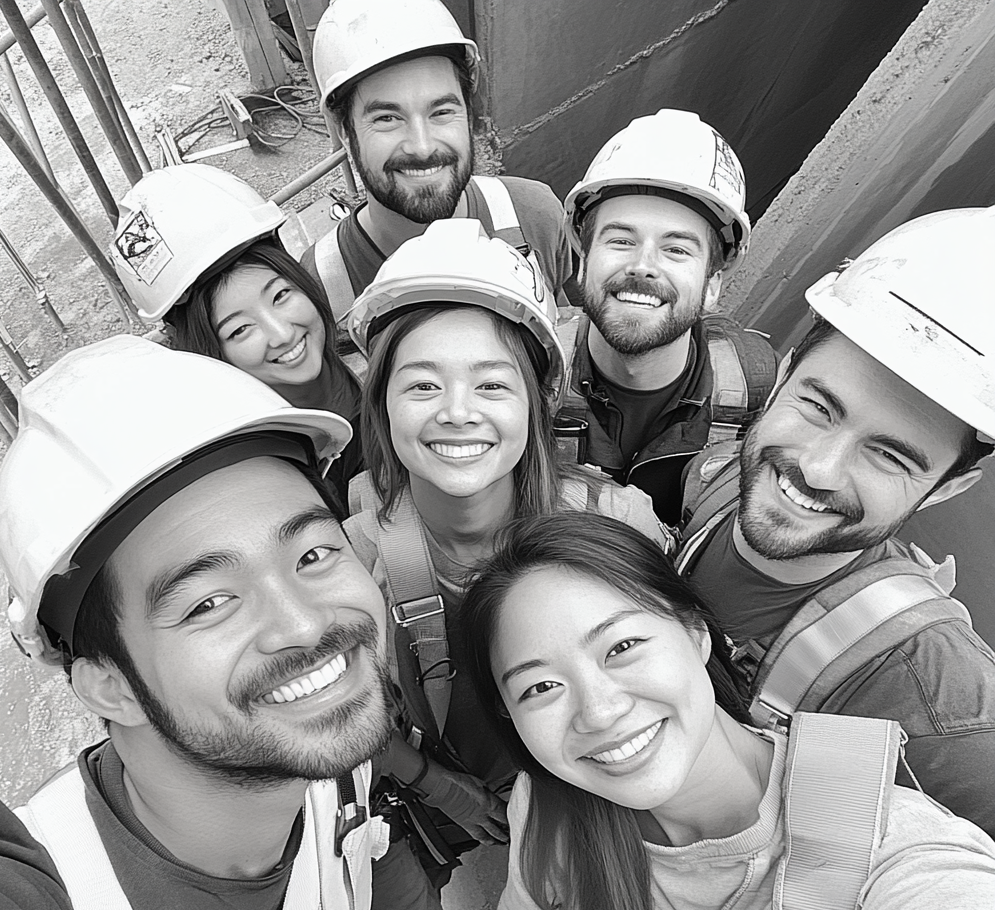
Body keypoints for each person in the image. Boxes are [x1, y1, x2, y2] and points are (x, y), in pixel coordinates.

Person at [0, 336, 400, 910]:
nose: (303, 623)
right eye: (207, 603)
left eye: (314, 553)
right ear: (109, 686)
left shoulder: (325, 755)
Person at [458, 511, 995, 910]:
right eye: (542, 687)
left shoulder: (890, 854)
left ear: (696, 634)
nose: (599, 712)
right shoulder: (551, 807)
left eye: (622, 646)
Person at [341, 218, 673, 910]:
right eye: (422, 384)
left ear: (536, 403)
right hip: (436, 778)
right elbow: (348, 716)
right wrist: (439, 788)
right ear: (381, 406)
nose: (458, 412)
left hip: (590, 774)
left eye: (492, 384)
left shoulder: (616, 524)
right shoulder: (354, 560)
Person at [676, 206, 995, 839]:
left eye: (889, 455)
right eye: (818, 406)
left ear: (948, 487)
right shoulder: (714, 478)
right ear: (783, 375)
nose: (816, 470)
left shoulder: (942, 713)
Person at [556, 110, 778, 525]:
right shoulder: (530, 366)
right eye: (621, 240)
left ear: (713, 282)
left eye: (676, 249)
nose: (643, 266)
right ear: (583, 260)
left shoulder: (757, 386)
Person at [303, 0, 579, 331]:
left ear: (468, 111)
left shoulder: (534, 217)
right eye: (387, 118)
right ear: (344, 131)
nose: (422, 147)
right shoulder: (320, 288)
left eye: (441, 112)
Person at [110, 163, 364, 497]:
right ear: (204, 348)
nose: (282, 334)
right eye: (241, 329)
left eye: (281, 295)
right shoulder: (249, 474)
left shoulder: (377, 353)